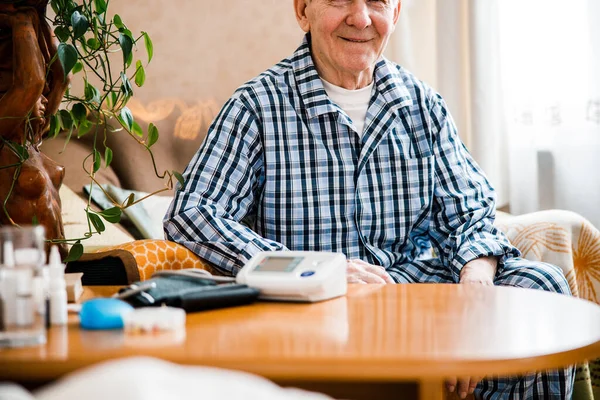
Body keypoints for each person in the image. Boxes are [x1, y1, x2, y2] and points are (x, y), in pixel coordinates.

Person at [165, 0, 574, 398]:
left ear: (395, 13)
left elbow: (470, 213)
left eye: (377, 1)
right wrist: (313, 270)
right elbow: (192, 213)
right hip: (314, 307)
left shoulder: (423, 106)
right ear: (302, 10)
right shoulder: (255, 106)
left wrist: (476, 288)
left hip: (415, 296)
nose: (360, 18)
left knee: (540, 287)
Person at [0, 1, 68, 252]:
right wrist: (22, 19)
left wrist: (38, 16)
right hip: (19, 274)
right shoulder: (2, 128)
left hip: (55, 271)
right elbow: (31, 83)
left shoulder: (31, 140)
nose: (44, 96)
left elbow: (61, 76)